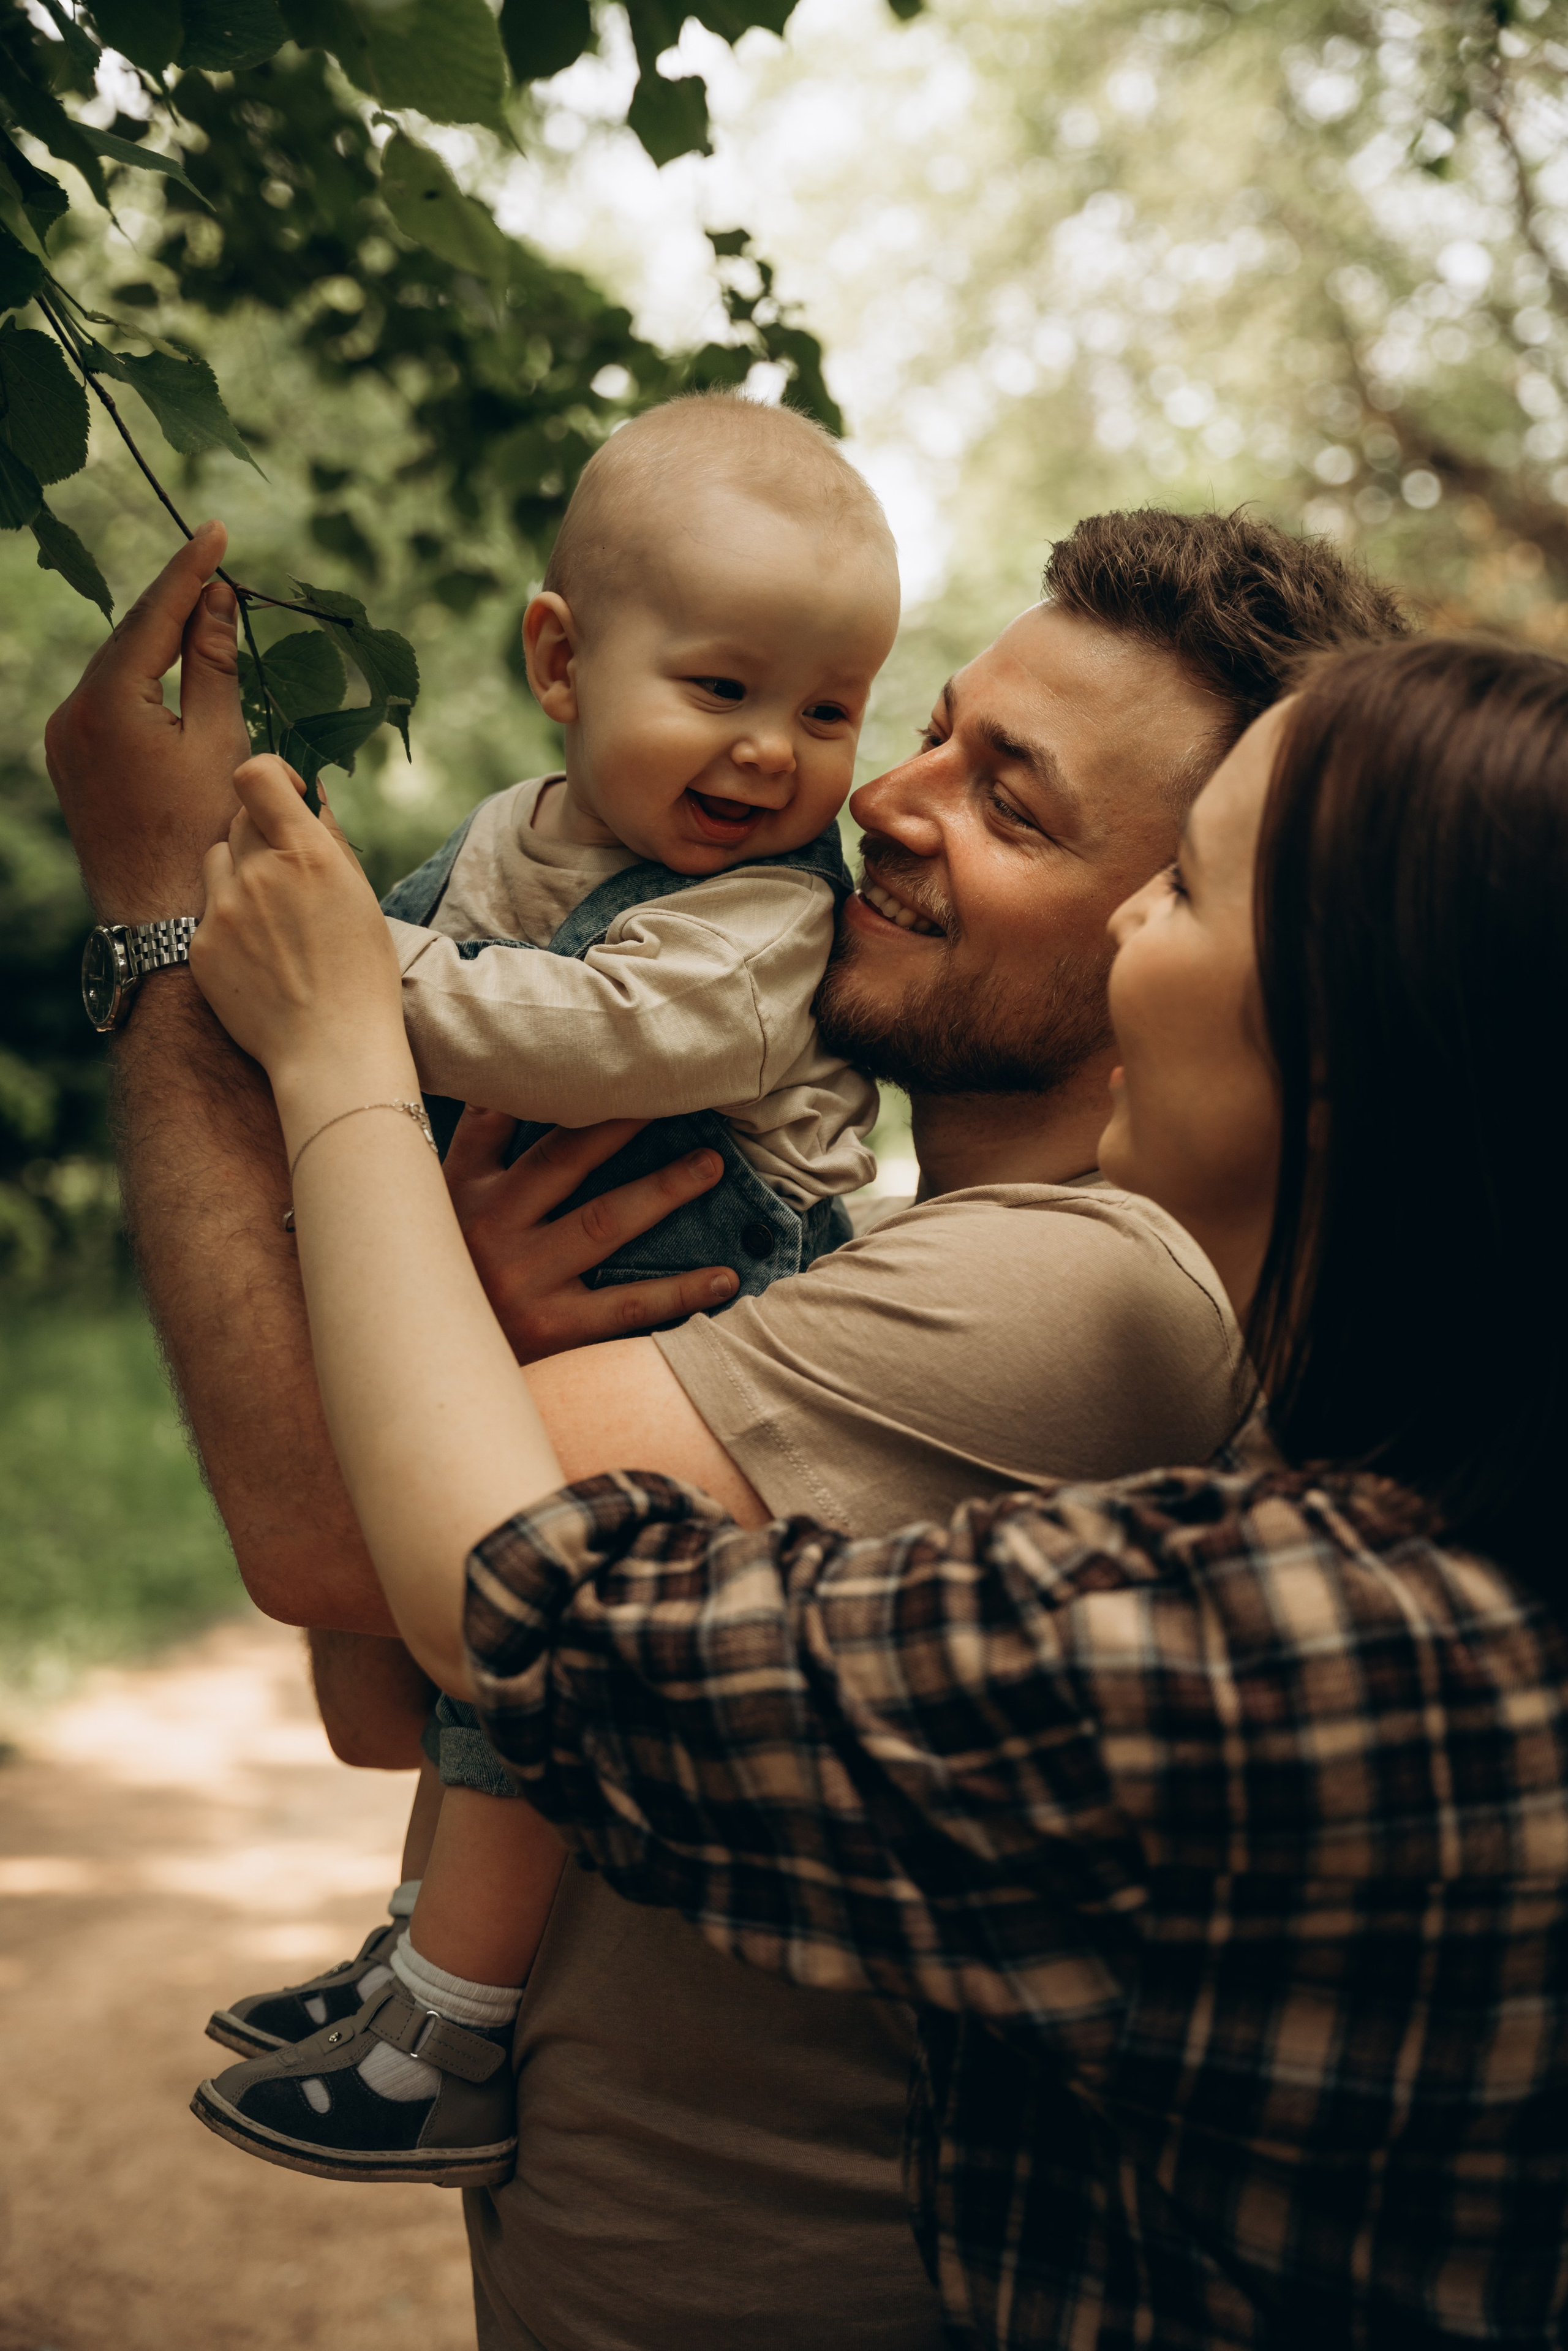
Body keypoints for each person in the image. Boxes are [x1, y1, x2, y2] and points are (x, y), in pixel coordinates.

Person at [47, 505, 1401, 2349]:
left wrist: (168, 918)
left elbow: (331, 1538)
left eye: (1014, 808)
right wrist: (471, 1332)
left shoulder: (1075, 1299)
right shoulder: (869, 1253)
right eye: (928, 732)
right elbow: (387, 1698)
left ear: (1205, 937)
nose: (885, 803)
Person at [198, 390, 900, 2186]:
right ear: (562, 660)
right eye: (723, 687)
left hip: (703, 1258)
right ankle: (408, 1948)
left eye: (831, 711)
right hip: (550, 1240)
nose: (774, 755)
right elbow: (407, 969)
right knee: (459, 1681)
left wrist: (337, 972)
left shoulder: (773, 919)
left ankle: (455, 2021)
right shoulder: (516, 832)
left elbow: (595, 1036)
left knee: (523, 1643)